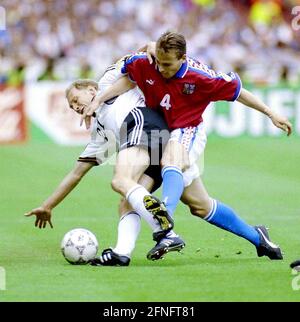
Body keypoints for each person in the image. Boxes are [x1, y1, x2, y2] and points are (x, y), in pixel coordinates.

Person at [82, 31, 293, 261]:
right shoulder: (147, 62)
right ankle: (258, 238)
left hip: (186, 129)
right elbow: (129, 79)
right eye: (159, 63)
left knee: (171, 160)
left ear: (183, 58)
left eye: (168, 64)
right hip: (157, 132)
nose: (162, 69)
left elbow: (238, 92)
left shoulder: (201, 76)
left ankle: (166, 224)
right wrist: (99, 100)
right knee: (198, 206)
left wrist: (270, 113)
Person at [25, 58, 185, 266]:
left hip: (143, 122)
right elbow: (76, 173)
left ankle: (165, 232)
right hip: (152, 144)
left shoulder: (108, 81)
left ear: (91, 89)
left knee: (120, 181)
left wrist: (153, 49)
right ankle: (122, 253)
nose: (74, 106)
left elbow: (142, 54)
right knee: (126, 202)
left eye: (75, 99)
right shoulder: (100, 133)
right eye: (71, 105)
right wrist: (47, 206)